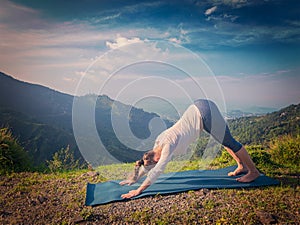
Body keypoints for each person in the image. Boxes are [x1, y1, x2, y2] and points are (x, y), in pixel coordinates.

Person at [120, 99, 260, 199]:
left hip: (203, 112)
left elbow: (156, 170)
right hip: (198, 108)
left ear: (156, 158)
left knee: (230, 142)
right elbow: (147, 165)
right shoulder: (157, 144)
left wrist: (138, 190)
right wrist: (134, 178)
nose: (158, 161)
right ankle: (241, 166)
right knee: (223, 140)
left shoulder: (168, 146)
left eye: (157, 161)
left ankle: (253, 171)